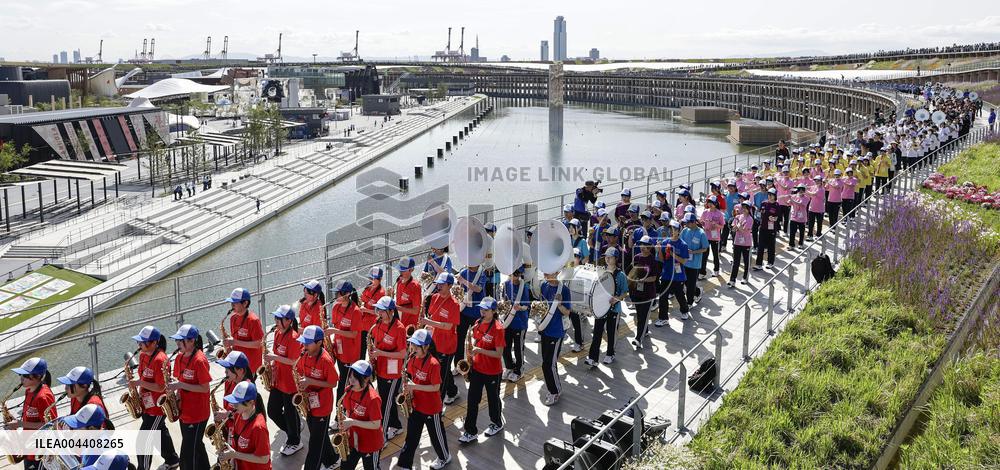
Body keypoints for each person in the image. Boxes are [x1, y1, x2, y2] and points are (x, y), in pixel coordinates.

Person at [395, 329, 451, 470]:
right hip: (416, 405)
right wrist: (407, 388)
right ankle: (404, 464)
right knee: (412, 437)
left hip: (431, 408)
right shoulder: (412, 359)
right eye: (412, 344)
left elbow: (435, 387)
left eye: (416, 345)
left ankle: (444, 457)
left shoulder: (433, 363)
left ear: (426, 347)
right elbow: (411, 378)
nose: (413, 348)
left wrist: (415, 387)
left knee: (436, 437)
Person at [131, 326, 182, 470]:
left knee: (143, 441)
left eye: (142, 342)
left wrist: (140, 383)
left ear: (154, 343)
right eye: (139, 342)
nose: (139, 345)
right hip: (147, 405)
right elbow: (144, 377)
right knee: (160, 433)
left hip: (157, 408)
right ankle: (172, 460)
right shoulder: (142, 356)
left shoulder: (161, 360)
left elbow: (161, 387)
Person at [458, 297, 506, 444]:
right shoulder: (477, 324)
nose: (482, 312)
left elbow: (498, 354)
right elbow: (473, 343)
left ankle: (497, 423)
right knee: (472, 400)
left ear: (493, 311)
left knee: (493, 399)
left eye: (486, 310)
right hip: (477, 369)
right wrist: (471, 353)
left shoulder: (498, 328)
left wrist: (480, 350)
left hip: (492, 371)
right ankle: (470, 431)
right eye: (481, 309)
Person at [166, 325, 211, 470]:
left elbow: (205, 388)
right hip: (184, 411)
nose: (178, 343)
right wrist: (175, 393)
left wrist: (180, 385)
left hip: (198, 413)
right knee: (196, 444)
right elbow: (180, 381)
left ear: (192, 341)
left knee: (187, 452)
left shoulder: (199, 360)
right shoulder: (179, 358)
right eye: (177, 340)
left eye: (181, 340)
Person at [295, 325, 340, 470]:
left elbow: (333, 382)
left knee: (314, 443)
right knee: (318, 435)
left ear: (319, 342)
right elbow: (300, 371)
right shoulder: (304, 354)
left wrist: (310, 382)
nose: (305, 345)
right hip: (309, 402)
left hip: (322, 406)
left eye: (308, 342)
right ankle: (332, 459)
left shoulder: (326, 360)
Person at [264, 305, 303, 456]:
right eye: (276, 318)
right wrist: (272, 364)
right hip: (278, 380)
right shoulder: (278, 334)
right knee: (272, 411)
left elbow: (294, 361)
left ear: (289, 321)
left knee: (289, 412)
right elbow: (277, 354)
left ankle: (295, 441)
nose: (276, 321)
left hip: (290, 383)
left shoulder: (294, 337)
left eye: (279, 319)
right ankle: (292, 431)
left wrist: (274, 358)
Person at [5, 357, 55, 469]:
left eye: (25, 375)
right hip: (29, 446)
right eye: (20, 375)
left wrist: (20, 424)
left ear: (37, 377)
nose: (21, 378)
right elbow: (30, 416)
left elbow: (50, 425)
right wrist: (13, 420)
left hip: (40, 451)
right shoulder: (28, 390)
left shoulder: (43, 396)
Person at [369, 296, 407, 441]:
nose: (378, 312)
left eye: (382, 310)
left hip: (393, 372)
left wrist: (381, 353)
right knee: (386, 400)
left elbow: (402, 354)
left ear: (391, 311)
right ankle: (396, 425)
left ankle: (382, 435)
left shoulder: (399, 328)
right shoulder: (377, 324)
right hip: (381, 368)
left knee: (385, 403)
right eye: (378, 309)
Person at [422, 272, 460, 404]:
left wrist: (427, 322)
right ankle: (453, 391)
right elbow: (432, 316)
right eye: (438, 284)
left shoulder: (454, 304)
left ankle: (439, 403)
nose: (439, 286)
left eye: (442, 284)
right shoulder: (434, 298)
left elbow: (448, 326)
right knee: (443, 370)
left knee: (441, 374)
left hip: (447, 345)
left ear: (449, 286)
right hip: (434, 341)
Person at [339, 360, 384, 470]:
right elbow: (348, 411)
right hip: (352, 440)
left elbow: (376, 424)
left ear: (366, 379)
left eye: (355, 378)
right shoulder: (348, 390)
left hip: (370, 444)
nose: (351, 381)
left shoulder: (373, 399)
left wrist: (353, 422)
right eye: (350, 377)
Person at [586, 249, 627, 366]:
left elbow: (625, 292)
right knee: (597, 332)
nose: (607, 259)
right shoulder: (601, 272)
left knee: (611, 332)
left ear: (616, 259)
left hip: (614, 309)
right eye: (606, 257)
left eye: (610, 257)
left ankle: (610, 354)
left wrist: (617, 298)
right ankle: (593, 357)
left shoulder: (621, 275)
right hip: (601, 308)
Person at [218, 382, 271, 470]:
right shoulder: (238, 414)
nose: (234, 405)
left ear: (251, 402)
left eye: (238, 402)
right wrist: (233, 459)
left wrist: (235, 455)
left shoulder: (258, 427)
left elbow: (264, 459)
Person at [326, 280, 363, 405]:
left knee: (343, 384)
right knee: (346, 381)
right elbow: (337, 328)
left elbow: (353, 334)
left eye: (338, 293)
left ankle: (338, 415)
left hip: (350, 354)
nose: (335, 296)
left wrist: (335, 330)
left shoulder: (356, 311)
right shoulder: (336, 307)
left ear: (346, 294)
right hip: (339, 351)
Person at [539, 272, 572, 406]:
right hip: (545, 329)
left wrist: (558, 304)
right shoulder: (543, 285)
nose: (546, 274)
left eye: (549, 271)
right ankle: (555, 387)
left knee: (548, 364)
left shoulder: (564, 289)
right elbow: (542, 305)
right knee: (548, 363)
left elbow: (568, 312)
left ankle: (555, 391)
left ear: (557, 272)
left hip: (556, 331)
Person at [453, 260, 486, 380]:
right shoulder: (463, 271)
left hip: (476, 312)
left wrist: (463, 281)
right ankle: (458, 365)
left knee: (477, 340)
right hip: (464, 311)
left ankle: (477, 365)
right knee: (459, 338)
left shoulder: (481, 273)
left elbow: (478, 289)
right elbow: (458, 290)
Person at [654, 220, 690, 326]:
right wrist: (659, 250)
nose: (672, 231)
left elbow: (684, 261)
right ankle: (663, 318)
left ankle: (684, 310)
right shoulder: (665, 242)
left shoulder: (683, 244)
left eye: (674, 229)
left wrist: (672, 254)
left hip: (678, 275)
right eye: (670, 229)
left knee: (679, 295)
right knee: (663, 296)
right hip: (666, 274)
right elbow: (661, 259)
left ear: (679, 231)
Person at [629, 236, 661, 349]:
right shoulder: (636, 257)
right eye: (642, 245)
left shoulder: (653, 260)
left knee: (643, 317)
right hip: (637, 292)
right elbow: (632, 272)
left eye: (646, 246)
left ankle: (638, 339)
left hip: (648, 293)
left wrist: (643, 280)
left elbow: (653, 278)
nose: (643, 248)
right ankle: (645, 330)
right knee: (639, 315)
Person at [500, 266, 530, 383]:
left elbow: (527, 306)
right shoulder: (506, 284)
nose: (513, 277)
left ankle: (519, 370)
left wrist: (520, 307)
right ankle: (509, 367)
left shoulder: (525, 287)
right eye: (512, 274)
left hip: (520, 323)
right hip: (508, 321)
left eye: (516, 275)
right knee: (505, 347)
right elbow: (504, 299)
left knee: (518, 349)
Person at [224, 288, 264, 372]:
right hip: (237, 364)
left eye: (235, 303)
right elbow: (235, 338)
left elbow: (258, 344)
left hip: (250, 366)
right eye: (231, 303)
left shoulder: (253, 320)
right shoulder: (233, 318)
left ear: (245, 303)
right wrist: (229, 347)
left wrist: (234, 342)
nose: (232, 305)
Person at [680, 213, 708, 307]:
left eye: (687, 223)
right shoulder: (684, 230)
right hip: (684, 262)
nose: (685, 225)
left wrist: (693, 252)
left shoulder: (701, 233)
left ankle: (689, 302)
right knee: (686, 282)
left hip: (694, 263)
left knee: (691, 284)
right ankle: (698, 291)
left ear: (693, 222)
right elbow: (680, 242)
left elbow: (705, 248)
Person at [359, 268, 386, 361]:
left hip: (373, 327)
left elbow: (381, 312)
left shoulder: (382, 293)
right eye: (371, 278)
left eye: (374, 279)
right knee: (361, 352)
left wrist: (366, 310)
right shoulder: (367, 288)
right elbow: (362, 300)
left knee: (372, 353)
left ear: (380, 279)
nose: (372, 281)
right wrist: (362, 305)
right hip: (363, 326)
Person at [393, 257, 423, 332]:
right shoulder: (399, 281)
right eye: (400, 269)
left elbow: (416, 311)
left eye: (403, 270)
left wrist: (397, 308)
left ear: (411, 270)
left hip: (409, 326)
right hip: (399, 322)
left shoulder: (415, 286)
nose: (400, 272)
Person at [728, 203, 753, 287]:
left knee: (746, 261)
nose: (744, 209)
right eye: (743, 208)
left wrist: (738, 226)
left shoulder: (750, 219)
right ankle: (732, 280)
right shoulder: (738, 217)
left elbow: (744, 230)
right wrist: (736, 227)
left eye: (746, 208)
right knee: (736, 262)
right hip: (737, 242)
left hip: (746, 243)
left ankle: (745, 277)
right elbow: (733, 228)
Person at [754, 189, 780, 270]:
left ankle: (770, 262)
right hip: (763, 228)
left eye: (771, 195)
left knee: (771, 246)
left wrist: (774, 218)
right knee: (760, 246)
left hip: (771, 229)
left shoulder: (777, 205)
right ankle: (758, 264)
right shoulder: (764, 203)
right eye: (768, 194)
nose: (769, 196)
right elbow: (761, 214)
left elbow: (778, 217)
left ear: (775, 196)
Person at [700, 196, 724, 277]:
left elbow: (722, 226)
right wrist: (703, 225)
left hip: (715, 237)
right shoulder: (705, 212)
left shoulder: (719, 213)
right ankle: (702, 272)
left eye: (712, 203)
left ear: (716, 203)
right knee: (704, 254)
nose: (710, 204)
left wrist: (715, 224)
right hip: (706, 236)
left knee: (715, 254)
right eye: (708, 202)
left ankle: (716, 270)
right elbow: (701, 222)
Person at [806, 175, 826, 240]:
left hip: (820, 209)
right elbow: (809, 187)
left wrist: (805, 190)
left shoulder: (822, 189)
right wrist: (804, 187)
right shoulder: (814, 187)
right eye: (816, 180)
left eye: (818, 181)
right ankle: (810, 235)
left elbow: (813, 194)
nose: (817, 182)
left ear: (821, 181)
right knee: (810, 223)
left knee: (819, 223)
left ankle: (818, 234)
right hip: (812, 208)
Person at [788, 185, 808, 250]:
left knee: (801, 232)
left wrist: (792, 200)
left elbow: (800, 204)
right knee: (792, 232)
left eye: (802, 189)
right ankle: (791, 245)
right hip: (794, 216)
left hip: (802, 218)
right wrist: (788, 200)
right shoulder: (794, 196)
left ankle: (801, 243)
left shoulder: (806, 198)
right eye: (799, 189)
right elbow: (789, 203)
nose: (801, 191)